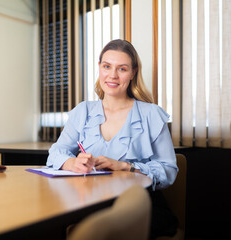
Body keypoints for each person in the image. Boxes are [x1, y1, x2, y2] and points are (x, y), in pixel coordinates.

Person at [46, 39, 178, 239]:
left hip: (136, 204)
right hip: (87, 200)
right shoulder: (83, 111)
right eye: (107, 66)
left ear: (133, 73)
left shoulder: (151, 114)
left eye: (122, 69)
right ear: (99, 67)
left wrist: (124, 166)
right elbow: (55, 153)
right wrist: (73, 162)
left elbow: (168, 171)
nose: (113, 75)